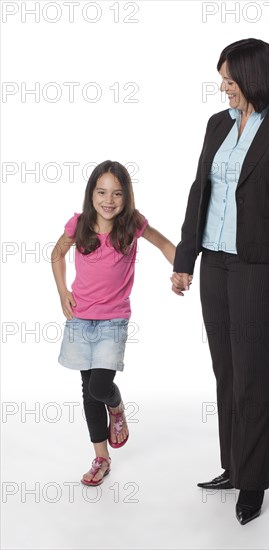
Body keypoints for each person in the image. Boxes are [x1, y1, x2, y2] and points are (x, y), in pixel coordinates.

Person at [171, 38, 269, 525]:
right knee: (226, 371)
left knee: (252, 373)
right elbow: (200, 191)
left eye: (230, 81)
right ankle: (233, 466)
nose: (224, 89)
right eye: (222, 81)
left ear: (254, 77)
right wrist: (185, 258)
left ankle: (253, 483)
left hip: (258, 269)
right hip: (215, 264)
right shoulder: (217, 124)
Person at [51, 160, 175, 486]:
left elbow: (164, 244)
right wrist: (63, 291)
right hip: (80, 319)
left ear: (126, 197)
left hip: (113, 320)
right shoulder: (78, 225)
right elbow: (56, 254)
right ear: (91, 194)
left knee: (99, 387)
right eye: (102, 192)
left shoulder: (132, 224)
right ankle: (101, 458)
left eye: (117, 193)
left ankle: (116, 407)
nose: (109, 200)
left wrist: (182, 267)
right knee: (88, 392)